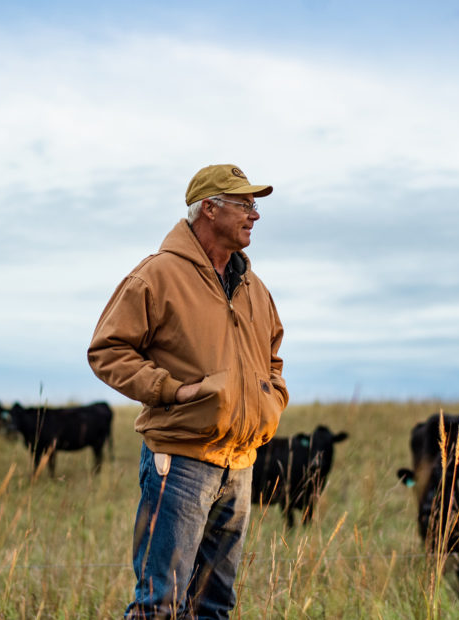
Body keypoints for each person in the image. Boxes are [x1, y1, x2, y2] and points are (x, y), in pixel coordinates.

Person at [88, 164, 289, 618]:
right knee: (160, 604)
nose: (254, 215)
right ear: (210, 209)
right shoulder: (157, 275)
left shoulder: (255, 288)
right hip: (177, 463)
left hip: (238, 465)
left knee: (214, 606)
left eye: (254, 205)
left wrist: (271, 399)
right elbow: (107, 350)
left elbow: (273, 355)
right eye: (245, 204)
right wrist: (172, 392)